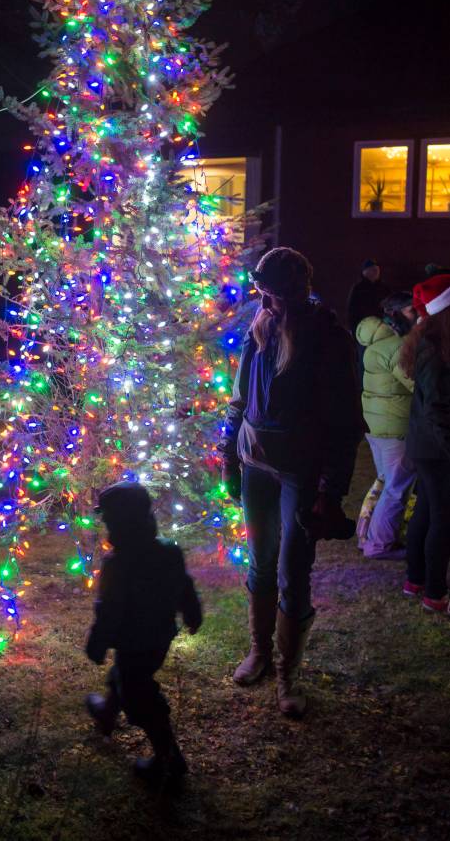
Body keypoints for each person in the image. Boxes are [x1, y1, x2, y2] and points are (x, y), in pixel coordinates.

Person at [221, 247, 363, 718]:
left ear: (294, 292)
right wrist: (228, 455)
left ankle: (287, 673)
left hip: (299, 471)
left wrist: (331, 490)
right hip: (255, 464)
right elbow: (239, 400)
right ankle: (260, 652)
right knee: (261, 564)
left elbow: (344, 422)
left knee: (292, 571)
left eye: (273, 294)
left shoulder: (326, 337)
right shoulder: (258, 330)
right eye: (261, 293)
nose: (265, 303)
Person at [84, 481, 202, 782]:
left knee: (140, 696)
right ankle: (107, 713)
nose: (105, 524)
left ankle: (169, 760)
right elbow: (184, 585)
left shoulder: (118, 563)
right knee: (126, 674)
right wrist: (192, 612)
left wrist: (97, 643)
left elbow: (109, 609)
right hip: (160, 638)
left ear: (120, 523)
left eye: (108, 518)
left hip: (134, 641)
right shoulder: (168, 550)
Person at [399, 274, 450, 614]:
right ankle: (434, 590)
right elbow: (437, 408)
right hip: (436, 449)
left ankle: (415, 578)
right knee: (442, 517)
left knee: (427, 512)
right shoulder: (434, 350)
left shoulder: (429, 343)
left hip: (427, 445)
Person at [355, 293, 416, 557]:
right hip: (396, 428)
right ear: (397, 315)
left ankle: (366, 535)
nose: (417, 315)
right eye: (412, 311)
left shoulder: (375, 345)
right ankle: (379, 544)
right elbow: (415, 383)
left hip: (377, 426)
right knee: (397, 487)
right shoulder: (396, 347)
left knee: (384, 481)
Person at [346, 259, 391, 336]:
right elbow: (352, 311)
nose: (376, 272)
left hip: (382, 329)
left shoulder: (384, 288)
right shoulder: (358, 289)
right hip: (364, 330)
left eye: (377, 269)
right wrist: (354, 330)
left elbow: (391, 306)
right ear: (365, 272)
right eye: (373, 269)